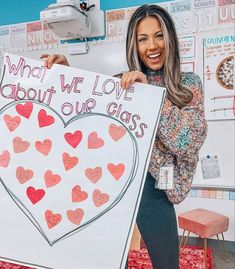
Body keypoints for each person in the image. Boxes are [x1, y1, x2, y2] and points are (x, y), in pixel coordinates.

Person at [41, 4, 207, 269]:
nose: (152, 46)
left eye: (159, 35)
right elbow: (89, 116)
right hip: (113, 187)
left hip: (155, 193)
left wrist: (148, 95)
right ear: (134, 43)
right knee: (102, 261)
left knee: (167, 264)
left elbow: (187, 141)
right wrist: (65, 74)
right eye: (143, 39)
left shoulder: (189, 84)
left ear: (170, 38)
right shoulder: (123, 82)